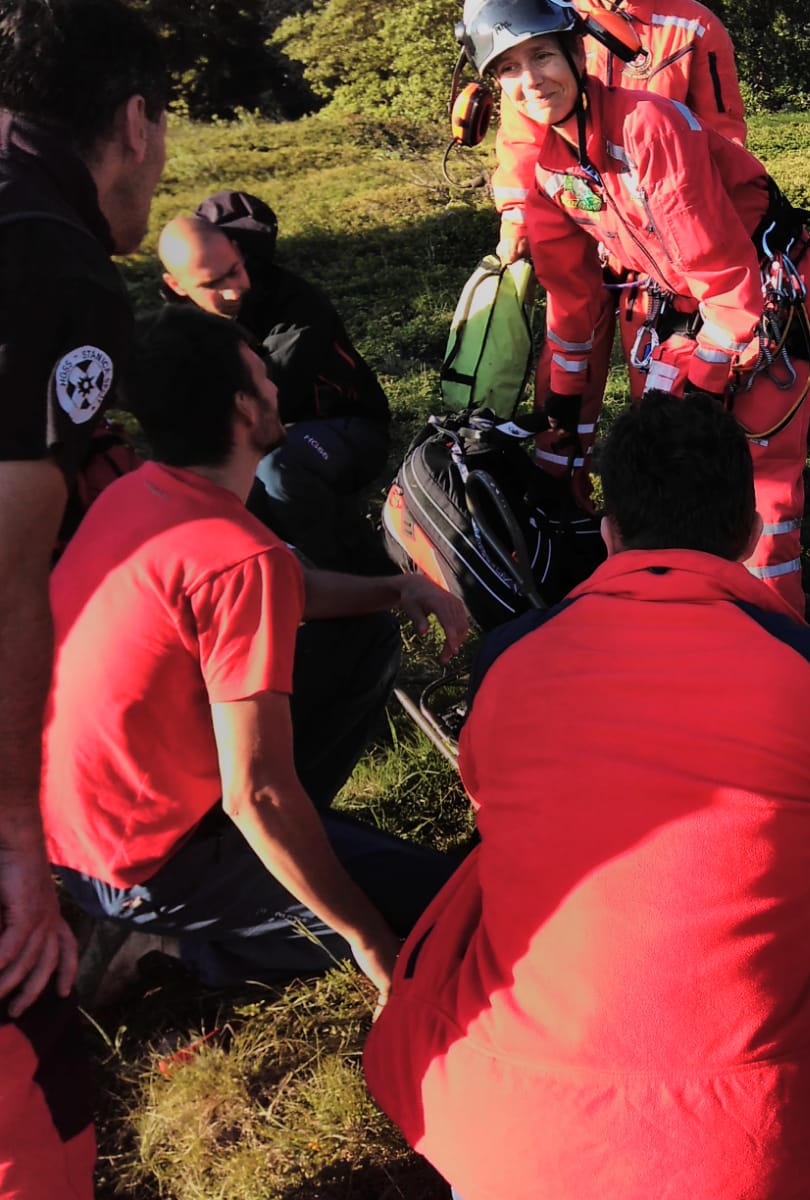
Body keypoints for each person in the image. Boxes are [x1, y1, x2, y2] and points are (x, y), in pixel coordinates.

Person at [364, 394, 810, 1200]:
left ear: (608, 534)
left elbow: (489, 804)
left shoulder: (507, 658)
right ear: (752, 534)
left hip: (511, 1136)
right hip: (749, 1152)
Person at [42, 306, 469, 1000]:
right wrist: (368, 940)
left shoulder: (135, 493)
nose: (276, 388)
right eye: (263, 377)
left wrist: (396, 588)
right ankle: (191, 946)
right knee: (449, 911)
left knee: (364, 635)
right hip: (148, 865)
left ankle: (273, 871)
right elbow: (257, 793)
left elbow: (292, 585)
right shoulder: (238, 559)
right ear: (245, 408)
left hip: (85, 834)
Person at [459, 0, 810, 612]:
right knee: (671, 475)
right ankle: (686, 624)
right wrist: (562, 417)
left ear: (576, 56)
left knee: (753, 477)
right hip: (674, 296)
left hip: (764, 292)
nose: (531, 80)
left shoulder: (647, 125)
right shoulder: (548, 167)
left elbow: (725, 276)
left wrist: (704, 386)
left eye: (543, 56)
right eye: (510, 69)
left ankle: (777, 631)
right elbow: (573, 306)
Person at [0, 0, 168, 1192]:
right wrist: (19, 842)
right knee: (36, 1078)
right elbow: (8, 575)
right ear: (134, 122)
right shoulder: (51, 264)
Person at [483, 0, 750, 514]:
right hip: (572, 214)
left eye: (541, 59)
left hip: (667, 238)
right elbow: (524, 128)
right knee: (564, 374)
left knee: (659, 381)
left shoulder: (691, 24)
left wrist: (680, 216)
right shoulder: (543, 19)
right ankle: (561, 507)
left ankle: (658, 508)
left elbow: (722, 129)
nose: (529, 72)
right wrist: (518, 213)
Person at [159, 194, 393, 571]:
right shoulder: (178, 327)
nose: (232, 291)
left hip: (349, 428)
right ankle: (284, 580)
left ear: (238, 251)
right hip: (265, 434)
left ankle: (368, 580)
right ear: (178, 285)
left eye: (234, 271)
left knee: (275, 468)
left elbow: (266, 402)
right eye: (212, 283)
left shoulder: (296, 306)